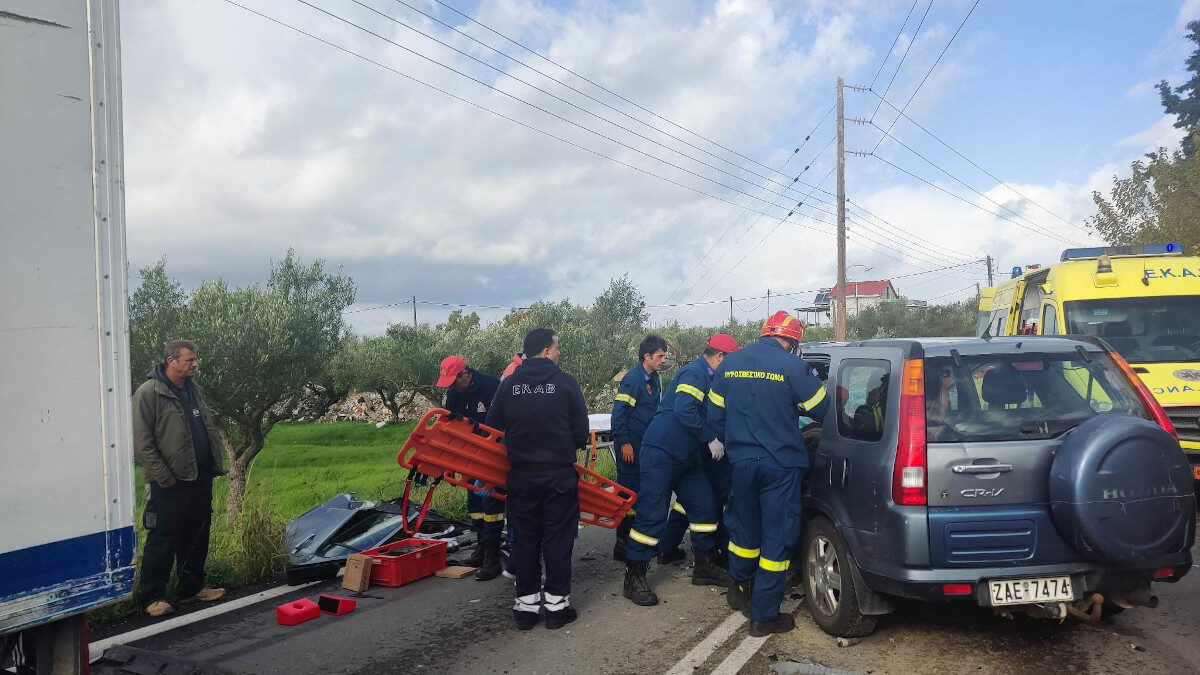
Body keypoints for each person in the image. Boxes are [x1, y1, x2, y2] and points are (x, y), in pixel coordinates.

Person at [708, 312, 831, 636]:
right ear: (791, 341)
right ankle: (764, 617)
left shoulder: (730, 364)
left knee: (745, 532)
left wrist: (738, 441)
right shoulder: (792, 366)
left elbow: (714, 415)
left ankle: (739, 591)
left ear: (764, 334)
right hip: (780, 465)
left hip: (742, 462)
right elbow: (823, 409)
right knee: (776, 539)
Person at [623, 334, 740, 606]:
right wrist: (710, 438)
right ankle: (634, 576)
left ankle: (704, 566)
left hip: (687, 457)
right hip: (662, 451)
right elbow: (685, 410)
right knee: (652, 513)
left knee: (704, 507)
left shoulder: (712, 377)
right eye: (731, 360)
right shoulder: (694, 372)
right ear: (720, 357)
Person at [485, 328, 590, 630]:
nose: (559, 353)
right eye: (557, 348)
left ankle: (526, 609)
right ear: (545, 351)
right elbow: (581, 432)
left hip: (521, 477)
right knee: (557, 540)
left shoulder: (509, 385)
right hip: (558, 477)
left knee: (525, 541)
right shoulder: (566, 383)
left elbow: (492, 429)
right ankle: (557, 609)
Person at [132, 340, 227, 617]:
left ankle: (192, 589)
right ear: (171, 361)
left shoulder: (194, 390)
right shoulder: (149, 393)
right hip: (168, 482)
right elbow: (142, 441)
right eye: (190, 360)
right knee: (163, 538)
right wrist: (163, 476)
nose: (195, 364)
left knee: (196, 535)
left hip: (199, 476)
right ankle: (152, 597)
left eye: (195, 359)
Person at [437, 355, 505, 581]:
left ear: (465, 374)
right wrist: (449, 462)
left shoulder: (491, 386)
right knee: (474, 503)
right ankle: (481, 547)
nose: (453, 387)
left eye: (455, 381)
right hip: (470, 455)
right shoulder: (454, 392)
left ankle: (493, 559)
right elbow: (449, 426)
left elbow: (505, 420)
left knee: (490, 501)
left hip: (493, 454)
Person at [610, 334, 668, 560]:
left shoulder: (653, 378)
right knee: (628, 497)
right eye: (660, 356)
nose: (663, 360)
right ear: (647, 356)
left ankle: (640, 541)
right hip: (630, 448)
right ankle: (622, 546)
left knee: (643, 495)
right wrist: (624, 443)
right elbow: (619, 415)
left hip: (645, 447)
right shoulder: (633, 379)